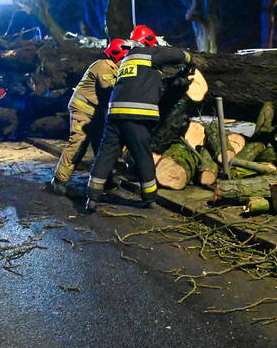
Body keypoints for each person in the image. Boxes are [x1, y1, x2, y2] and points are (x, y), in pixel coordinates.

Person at [86, 25, 192, 211]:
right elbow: (175, 54)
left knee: (106, 153)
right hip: (136, 116)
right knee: (142, 154)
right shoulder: (148, 54)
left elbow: (149, 83)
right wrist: (189, 59)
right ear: (148, 42)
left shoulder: (127, 59)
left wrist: (180, 77)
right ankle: (150, 197)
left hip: (114, 116)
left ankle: (92, 196)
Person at [48, 39, 128, 195]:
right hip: (83, 110)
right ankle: (59, 180)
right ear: (118, 54)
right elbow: (109, 89)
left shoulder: (115, 67)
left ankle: (104, 179)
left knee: (102, 146)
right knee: (78, 143)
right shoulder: (103, 66)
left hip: (95, 112)